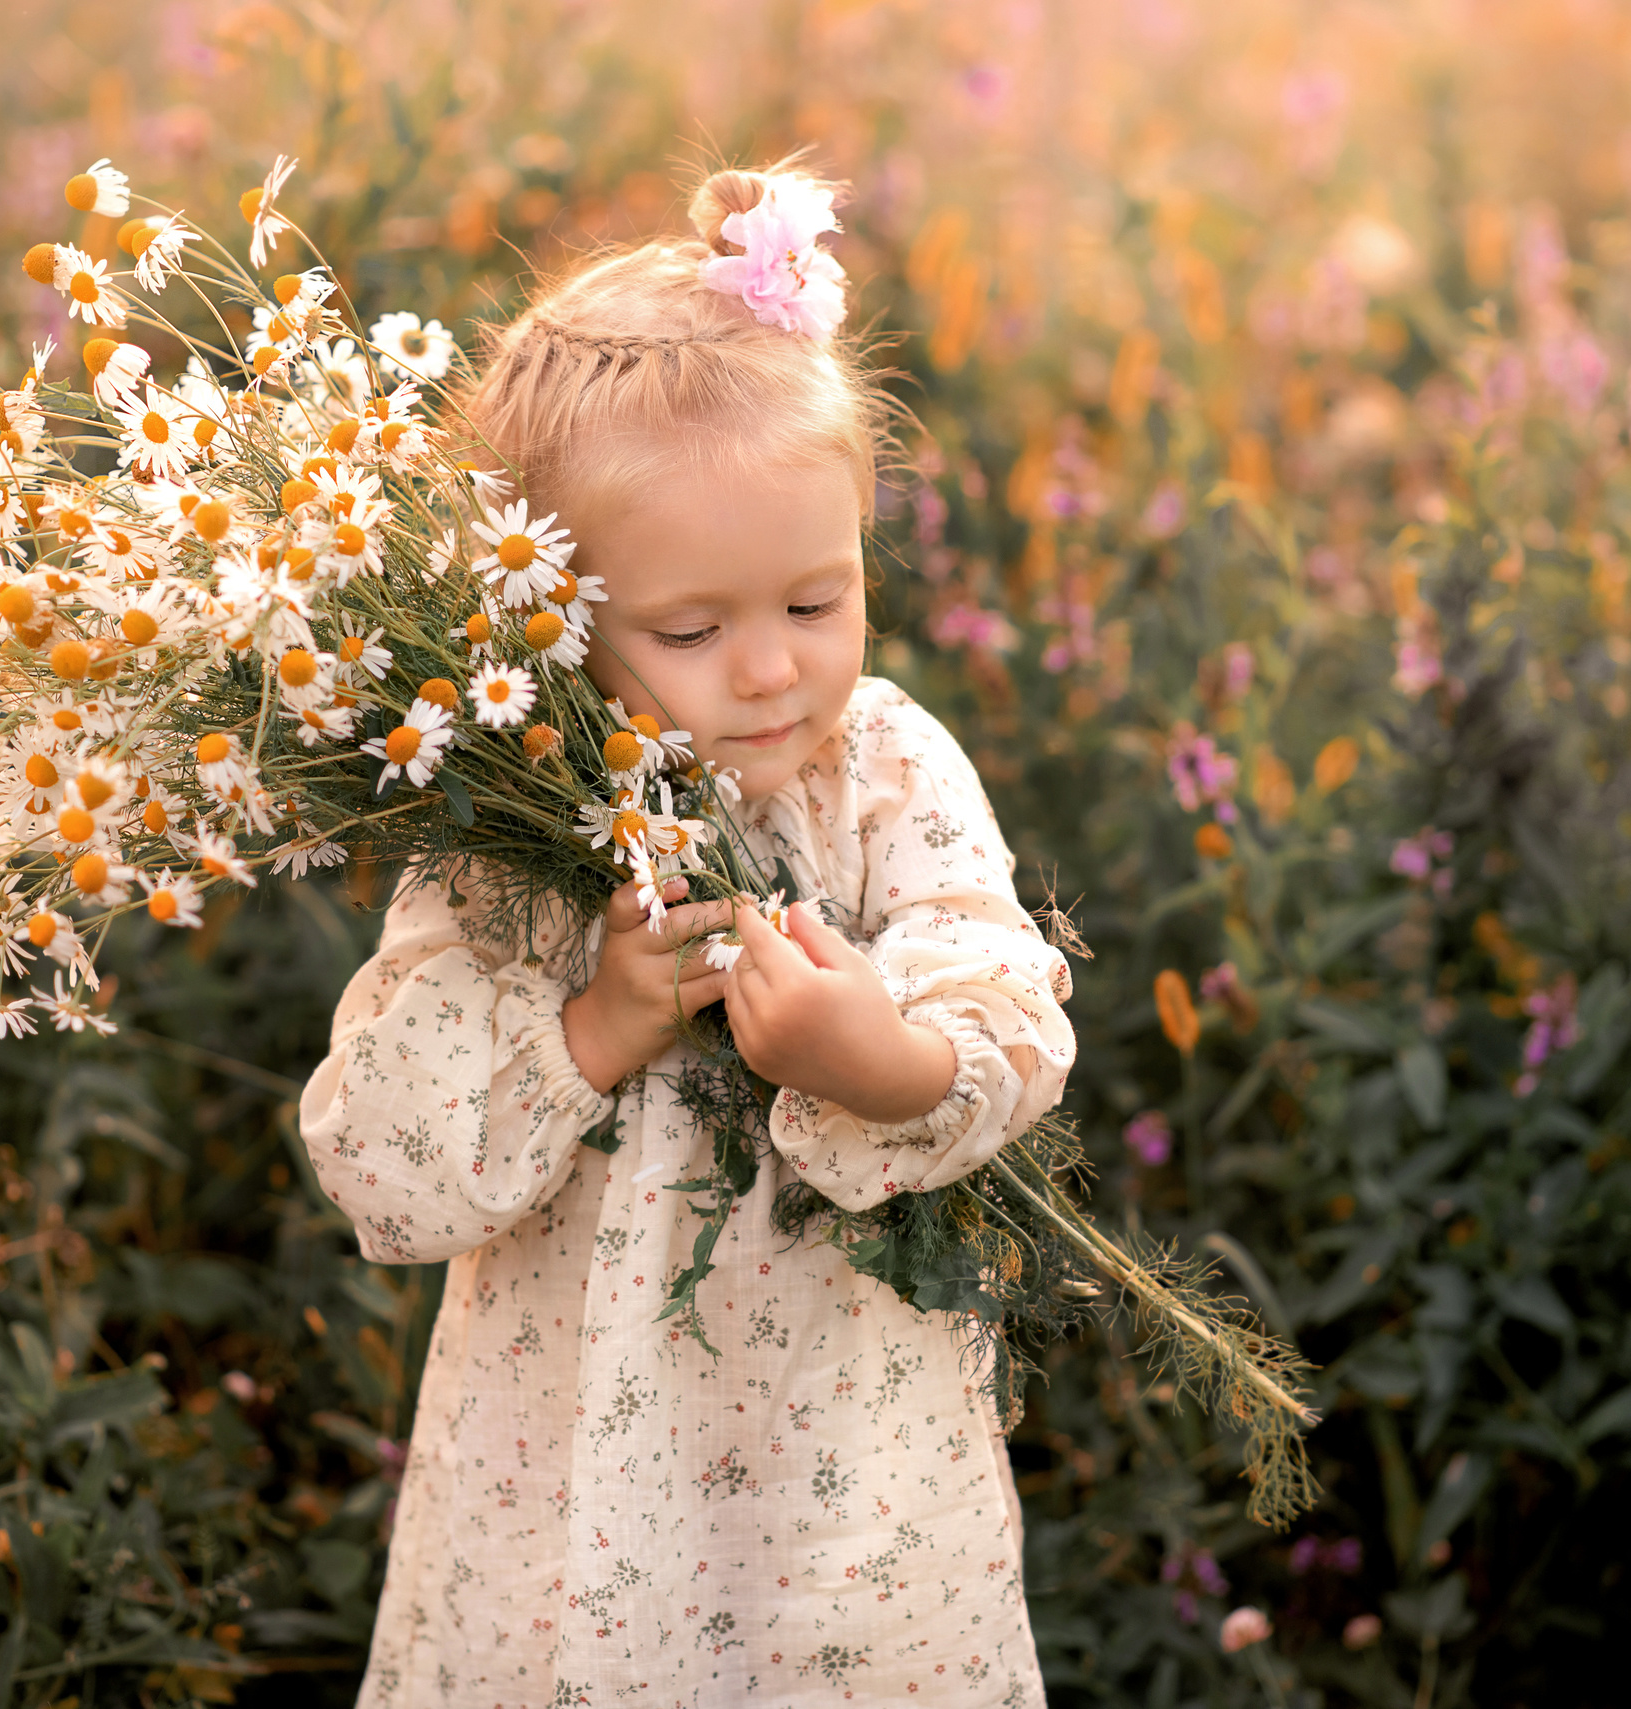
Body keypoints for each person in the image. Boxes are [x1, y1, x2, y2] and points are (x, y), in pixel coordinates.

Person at [300, 158, 1077, 1708]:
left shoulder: (885, 769)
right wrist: (591, 1025)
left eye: (816, 601)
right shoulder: (514, 839)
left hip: (846, 1494)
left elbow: (1006, 1001)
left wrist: (886, 1060)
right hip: (572, 1492)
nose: (772, 670)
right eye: (692, 629)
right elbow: (377, 1159)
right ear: (549, 619)